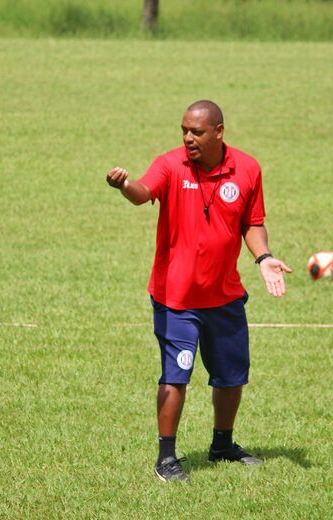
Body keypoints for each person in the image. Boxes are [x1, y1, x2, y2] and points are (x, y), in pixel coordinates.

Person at [105, 100, 291, 482]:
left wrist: (264, 257)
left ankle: (222, 445)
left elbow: (252, 224)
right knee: (177, 375)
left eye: (197, 132)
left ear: (219, 132)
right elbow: (143, 192)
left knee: (231, 376)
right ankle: (166, 458)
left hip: (224, 296)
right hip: (177, 299)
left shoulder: (248, 169)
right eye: (184, 131)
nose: (188, 138)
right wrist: (124, 184)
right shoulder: (171, 165)